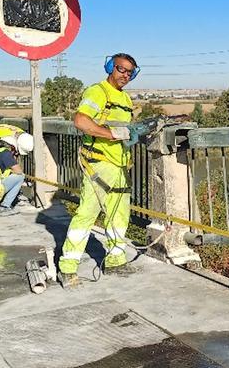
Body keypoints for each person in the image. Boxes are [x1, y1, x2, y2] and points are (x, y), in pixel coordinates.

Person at [58, 53, 139, 288]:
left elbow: (121, 128)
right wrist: (112, 134)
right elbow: (81, 121)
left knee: (119, 215)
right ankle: (68, 266)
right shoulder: (98, 92)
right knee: (87, 214)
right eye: (121, 69)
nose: (125, 75)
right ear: (110, 68)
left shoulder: (124, 98)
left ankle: (115, 260)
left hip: (120, 164)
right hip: (99, 164)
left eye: (130, 72)